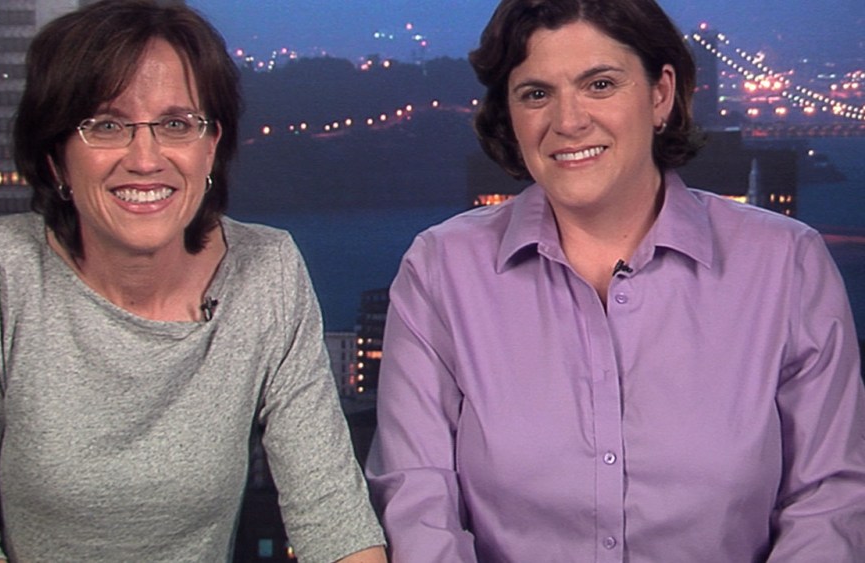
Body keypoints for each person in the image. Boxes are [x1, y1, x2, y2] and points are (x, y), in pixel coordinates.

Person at [366, 0, 865, 560]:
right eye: (536, 94)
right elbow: (419, 499)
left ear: (661, 94)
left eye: (599, 84)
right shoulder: (441, 270)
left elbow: (828, 499)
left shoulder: (786, 264)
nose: (569, 121)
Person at [0, 1, 387, 561]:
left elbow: (333, 517)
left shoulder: (267, 268)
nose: (145, 159)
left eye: (176, 125)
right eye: (106, 125)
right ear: (56, 159)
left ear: (210, 147)